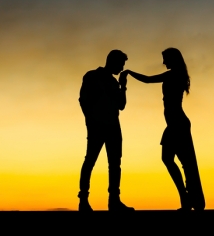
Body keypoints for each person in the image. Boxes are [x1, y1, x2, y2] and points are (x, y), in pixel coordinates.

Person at [124, 48, 205, 211]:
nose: (163, 62)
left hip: (178, 124)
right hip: (174, 124)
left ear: (173, 59)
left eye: (165, 58)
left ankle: (188, 199)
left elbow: (147, 80)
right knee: (173, 160)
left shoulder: (173, 74)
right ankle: (186, 198)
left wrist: (128, 73)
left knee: (182, 162)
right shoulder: (176, 74)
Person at [78, 49, 135, 211]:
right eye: (121, 64)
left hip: (113, 126)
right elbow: (83, 100)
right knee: (90, 161)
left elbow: (122, 105)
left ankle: (114, 201)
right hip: (97, 126)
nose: (122, 68)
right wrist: (90, 120)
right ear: (112, 61)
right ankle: (83, 200)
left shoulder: (113, 82)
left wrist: (123, 86)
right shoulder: (91, 76)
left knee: (115, 163)